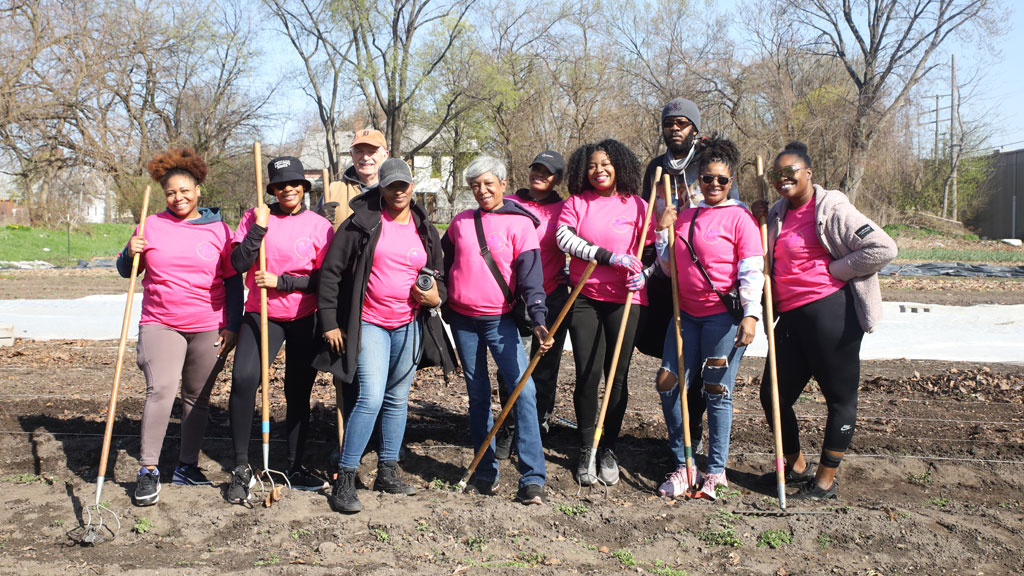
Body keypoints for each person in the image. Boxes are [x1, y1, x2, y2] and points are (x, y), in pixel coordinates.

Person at [752, 141, 897, 501]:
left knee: (839, 399)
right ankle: (796, 465)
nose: (782, 179)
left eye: (790, 173)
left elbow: (883, 247)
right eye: (776, 175)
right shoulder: (776, 213)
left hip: (831, 312)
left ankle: (825, 481)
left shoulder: (832, 208)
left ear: (809, 174)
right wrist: (760, 220)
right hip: (790, 318)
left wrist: (836, 270)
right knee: (772, 396)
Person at [316, 158, 445, 514]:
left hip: (409, 323)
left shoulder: (424, 227)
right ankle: (345, 476)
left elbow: (439, 276)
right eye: (392, 186)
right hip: (370, 322)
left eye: (404, 185)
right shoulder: (361, 224)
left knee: (397, 398)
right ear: (381, 188)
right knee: (370, 397)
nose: (399, 191)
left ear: (412, 186)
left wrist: (436, 296)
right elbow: (330, 273)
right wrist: (329, 321)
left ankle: (387, 470)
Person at [116, 148, 242, 506]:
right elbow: (128, 271)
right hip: (161, 323)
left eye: (185, 190)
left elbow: (233, 281)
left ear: (199, 189)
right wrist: (129, 250)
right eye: (171, 192)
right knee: (161, 389)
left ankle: (187, 466)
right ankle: (148, 470)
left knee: (197, 398)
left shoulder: (219, 228)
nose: (178, 197)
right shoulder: (150, 224)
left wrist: (232, 324)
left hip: (208, 325)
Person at [652, 135, 764, 500]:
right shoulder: (685, 216)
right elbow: (668, 269)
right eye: (707, 179)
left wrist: (751, 315)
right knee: (669, 383)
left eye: (722, 180)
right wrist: (662, 229)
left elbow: (750, 271)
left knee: (716, 390)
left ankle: (715, 471)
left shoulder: (741, 219)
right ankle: (685, 464)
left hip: (721, 319)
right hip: (685, 316)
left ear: (731, 182)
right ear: (698, 180)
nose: (713, 185)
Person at [442, 155, 551, 505]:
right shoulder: (460, 222)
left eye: (488, 183)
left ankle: (533, 477)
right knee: (477, 395)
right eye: (475, 185)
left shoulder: (521, 225)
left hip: (501, 320)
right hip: (462, 320)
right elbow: (444, 263)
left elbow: (532, 279)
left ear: (503, 184)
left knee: (524, 391)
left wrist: (538, 319)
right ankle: (484, 472)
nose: (482, 190)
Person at [225, 156, 334, 504]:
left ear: (304, 187)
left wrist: (282, 281)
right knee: (244, 379)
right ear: (271, 189)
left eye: (293, 183)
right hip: (262, 314)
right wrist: (258, 229)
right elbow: (238, 263)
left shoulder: (320, 226)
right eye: (279, 185)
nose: (287, 189)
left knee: (297, 391)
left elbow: (325, 279)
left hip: (304, 316)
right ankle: (241, 467)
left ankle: (294, 465)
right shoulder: (256, 217)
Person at [638, 98, 739, 453]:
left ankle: (698, 438)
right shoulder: (655, 167)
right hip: (667, 271)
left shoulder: (708, 164)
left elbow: (730, 210)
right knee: (673, 363)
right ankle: (682, 439)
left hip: (705, 277)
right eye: (669, 123)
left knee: (700, 366)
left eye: (682, 123)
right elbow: (648, 215)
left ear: (694, 128)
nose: (675, 128)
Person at [556, 139, 653, 486]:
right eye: (593, 165)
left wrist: (645, 272)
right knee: (587, 373)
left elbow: (654, 251)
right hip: (585, 296)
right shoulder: (576, 203)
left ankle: (608, 446)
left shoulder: (640, 206)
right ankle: (586, 448)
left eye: (606, 164)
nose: (599, 170)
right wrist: (609, 257)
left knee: (618, 376)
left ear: (620, 166)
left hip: (626, 300)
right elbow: (565, 240)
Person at [493, 150, 568, 458]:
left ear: (557, 178)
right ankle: (509, 426)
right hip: (514, 299)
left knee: (545, 367)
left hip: (551, 297)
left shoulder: (564, 209)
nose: (540, 175)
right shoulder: (509, 203)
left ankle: (537, 426)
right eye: (536, 168)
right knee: (510, 367)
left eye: (547, 171)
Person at [317, 129, 389, 230]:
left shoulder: (397, 191)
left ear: (385, 155)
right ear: (352, 155)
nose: (365, 157)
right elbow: (313, 235)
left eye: (372, 152)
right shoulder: (332, 191)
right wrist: (318, 219)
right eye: (359, 151)